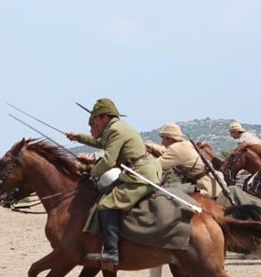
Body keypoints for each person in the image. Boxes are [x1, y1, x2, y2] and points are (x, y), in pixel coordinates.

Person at [66, 98, 161, 265]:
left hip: (139, 176)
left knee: (106, 204)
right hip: (141, 172)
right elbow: (100, 142)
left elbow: (109, 161)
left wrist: (88, 169)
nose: (93, 123)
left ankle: (112, 252)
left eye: (94, 120)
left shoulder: (115, 130)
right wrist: (78, 137)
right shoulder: (116, 128)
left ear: (104, 117)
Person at [145, 123, 220, 199]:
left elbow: (155, 166)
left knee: (168, 192)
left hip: (205, 187)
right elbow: (164, 151)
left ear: (169, 139)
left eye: (163, 138)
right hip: (211, 182)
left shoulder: (176, 149)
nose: (162, 142)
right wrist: (145, 145)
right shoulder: (184, 145)